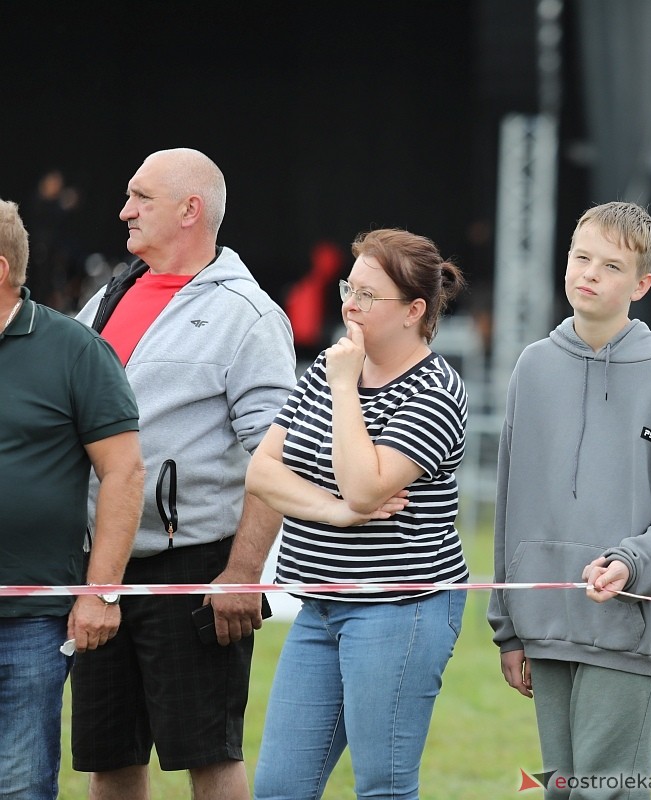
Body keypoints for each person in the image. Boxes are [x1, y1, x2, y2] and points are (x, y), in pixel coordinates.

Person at [72, 148, 296, 800]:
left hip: (195, 568)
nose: (124, 211)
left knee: (209, 754)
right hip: (102, 565)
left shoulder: (248, 316)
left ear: (189, 210)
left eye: (140, 197)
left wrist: (243, 572)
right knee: (106, 757)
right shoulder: (108, 297)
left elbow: (274, 454)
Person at [488, 201, 651, 798]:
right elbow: (509, 504)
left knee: (606, 792)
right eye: (580, 256)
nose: (589, 273)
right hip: (542, 622)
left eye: (611, 266)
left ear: (641, 284)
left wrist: (633, 561)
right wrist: (508, 628)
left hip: (627, 624)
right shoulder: (532, 367)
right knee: (563, 791)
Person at [248, 227, 468, 799]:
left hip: (400, 608)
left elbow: (365, 487)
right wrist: (335, 513)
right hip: (319, 603)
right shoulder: (330, 366)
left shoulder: (436, 389)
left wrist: (346, 388)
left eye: (369, 295)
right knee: (277, 789)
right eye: (350, 287)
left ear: (413, 310)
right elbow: (262, 472)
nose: (349, 303)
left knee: (382, 787)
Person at [0, 200, 143, 800]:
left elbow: (124, 473)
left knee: (20, 783)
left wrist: (100, 590)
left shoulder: (74, 349)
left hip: (30, 619)